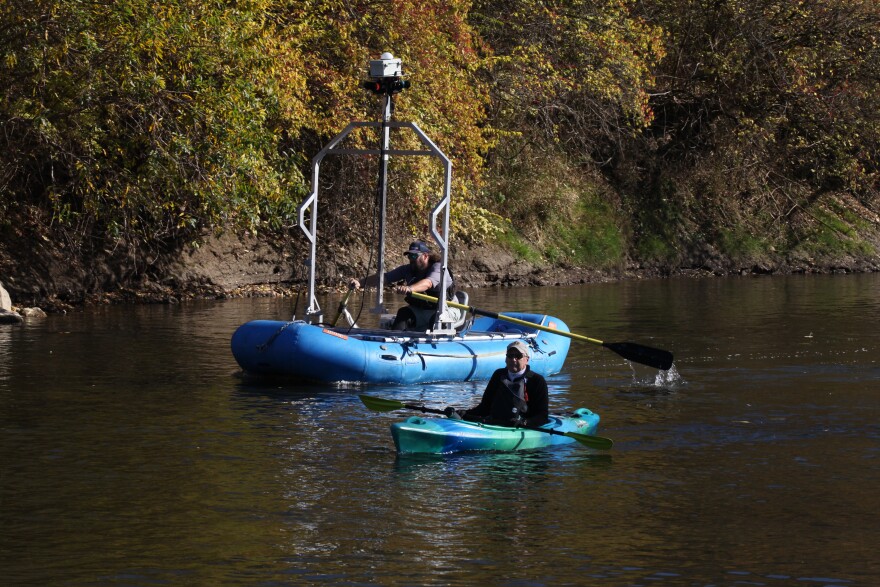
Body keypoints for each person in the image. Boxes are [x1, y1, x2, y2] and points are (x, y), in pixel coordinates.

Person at [349, 240, 461, 331]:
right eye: (409, 256)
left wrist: (409, 288)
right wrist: (360, 282)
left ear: (425, 256)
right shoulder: (408, 269)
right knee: (403, 313)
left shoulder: (438, 268)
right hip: (424, 310)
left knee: (436, 319)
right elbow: (384, 278)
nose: (411, 260)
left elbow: (428, 283)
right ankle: (394, 345)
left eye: (414, 256)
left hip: (447, 310)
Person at [455, 340, 549, 427]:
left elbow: (542, 416)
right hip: (494, 423)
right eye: (510, 355)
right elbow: (484, 407)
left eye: (518, 356)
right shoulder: (498, 375)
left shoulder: (537, 381)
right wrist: (464, 413)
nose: (513, 359)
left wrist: (525, 422)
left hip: (519, 427)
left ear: (527, 359)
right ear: (505, 359)